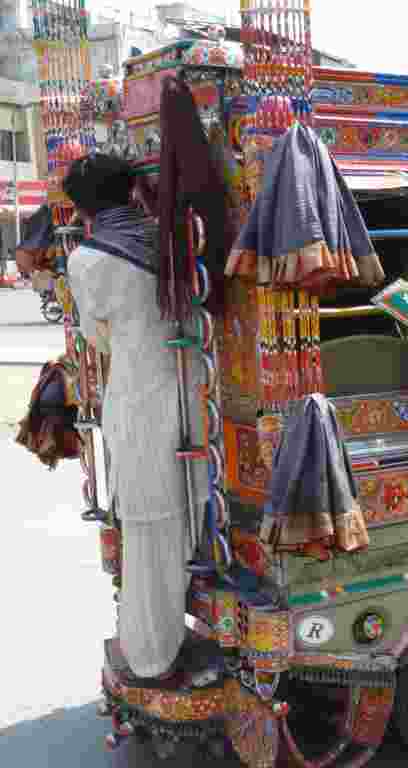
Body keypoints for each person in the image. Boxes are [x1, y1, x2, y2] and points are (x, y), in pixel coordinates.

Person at [63, 154, 208, 683]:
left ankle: (151, 655)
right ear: (131, 191)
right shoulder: (175, 241)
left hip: (140, 401)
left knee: (149, 536)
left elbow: (97, 338)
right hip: (199, 398)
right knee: (198, 517)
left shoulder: (87, 260)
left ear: (81, 208)